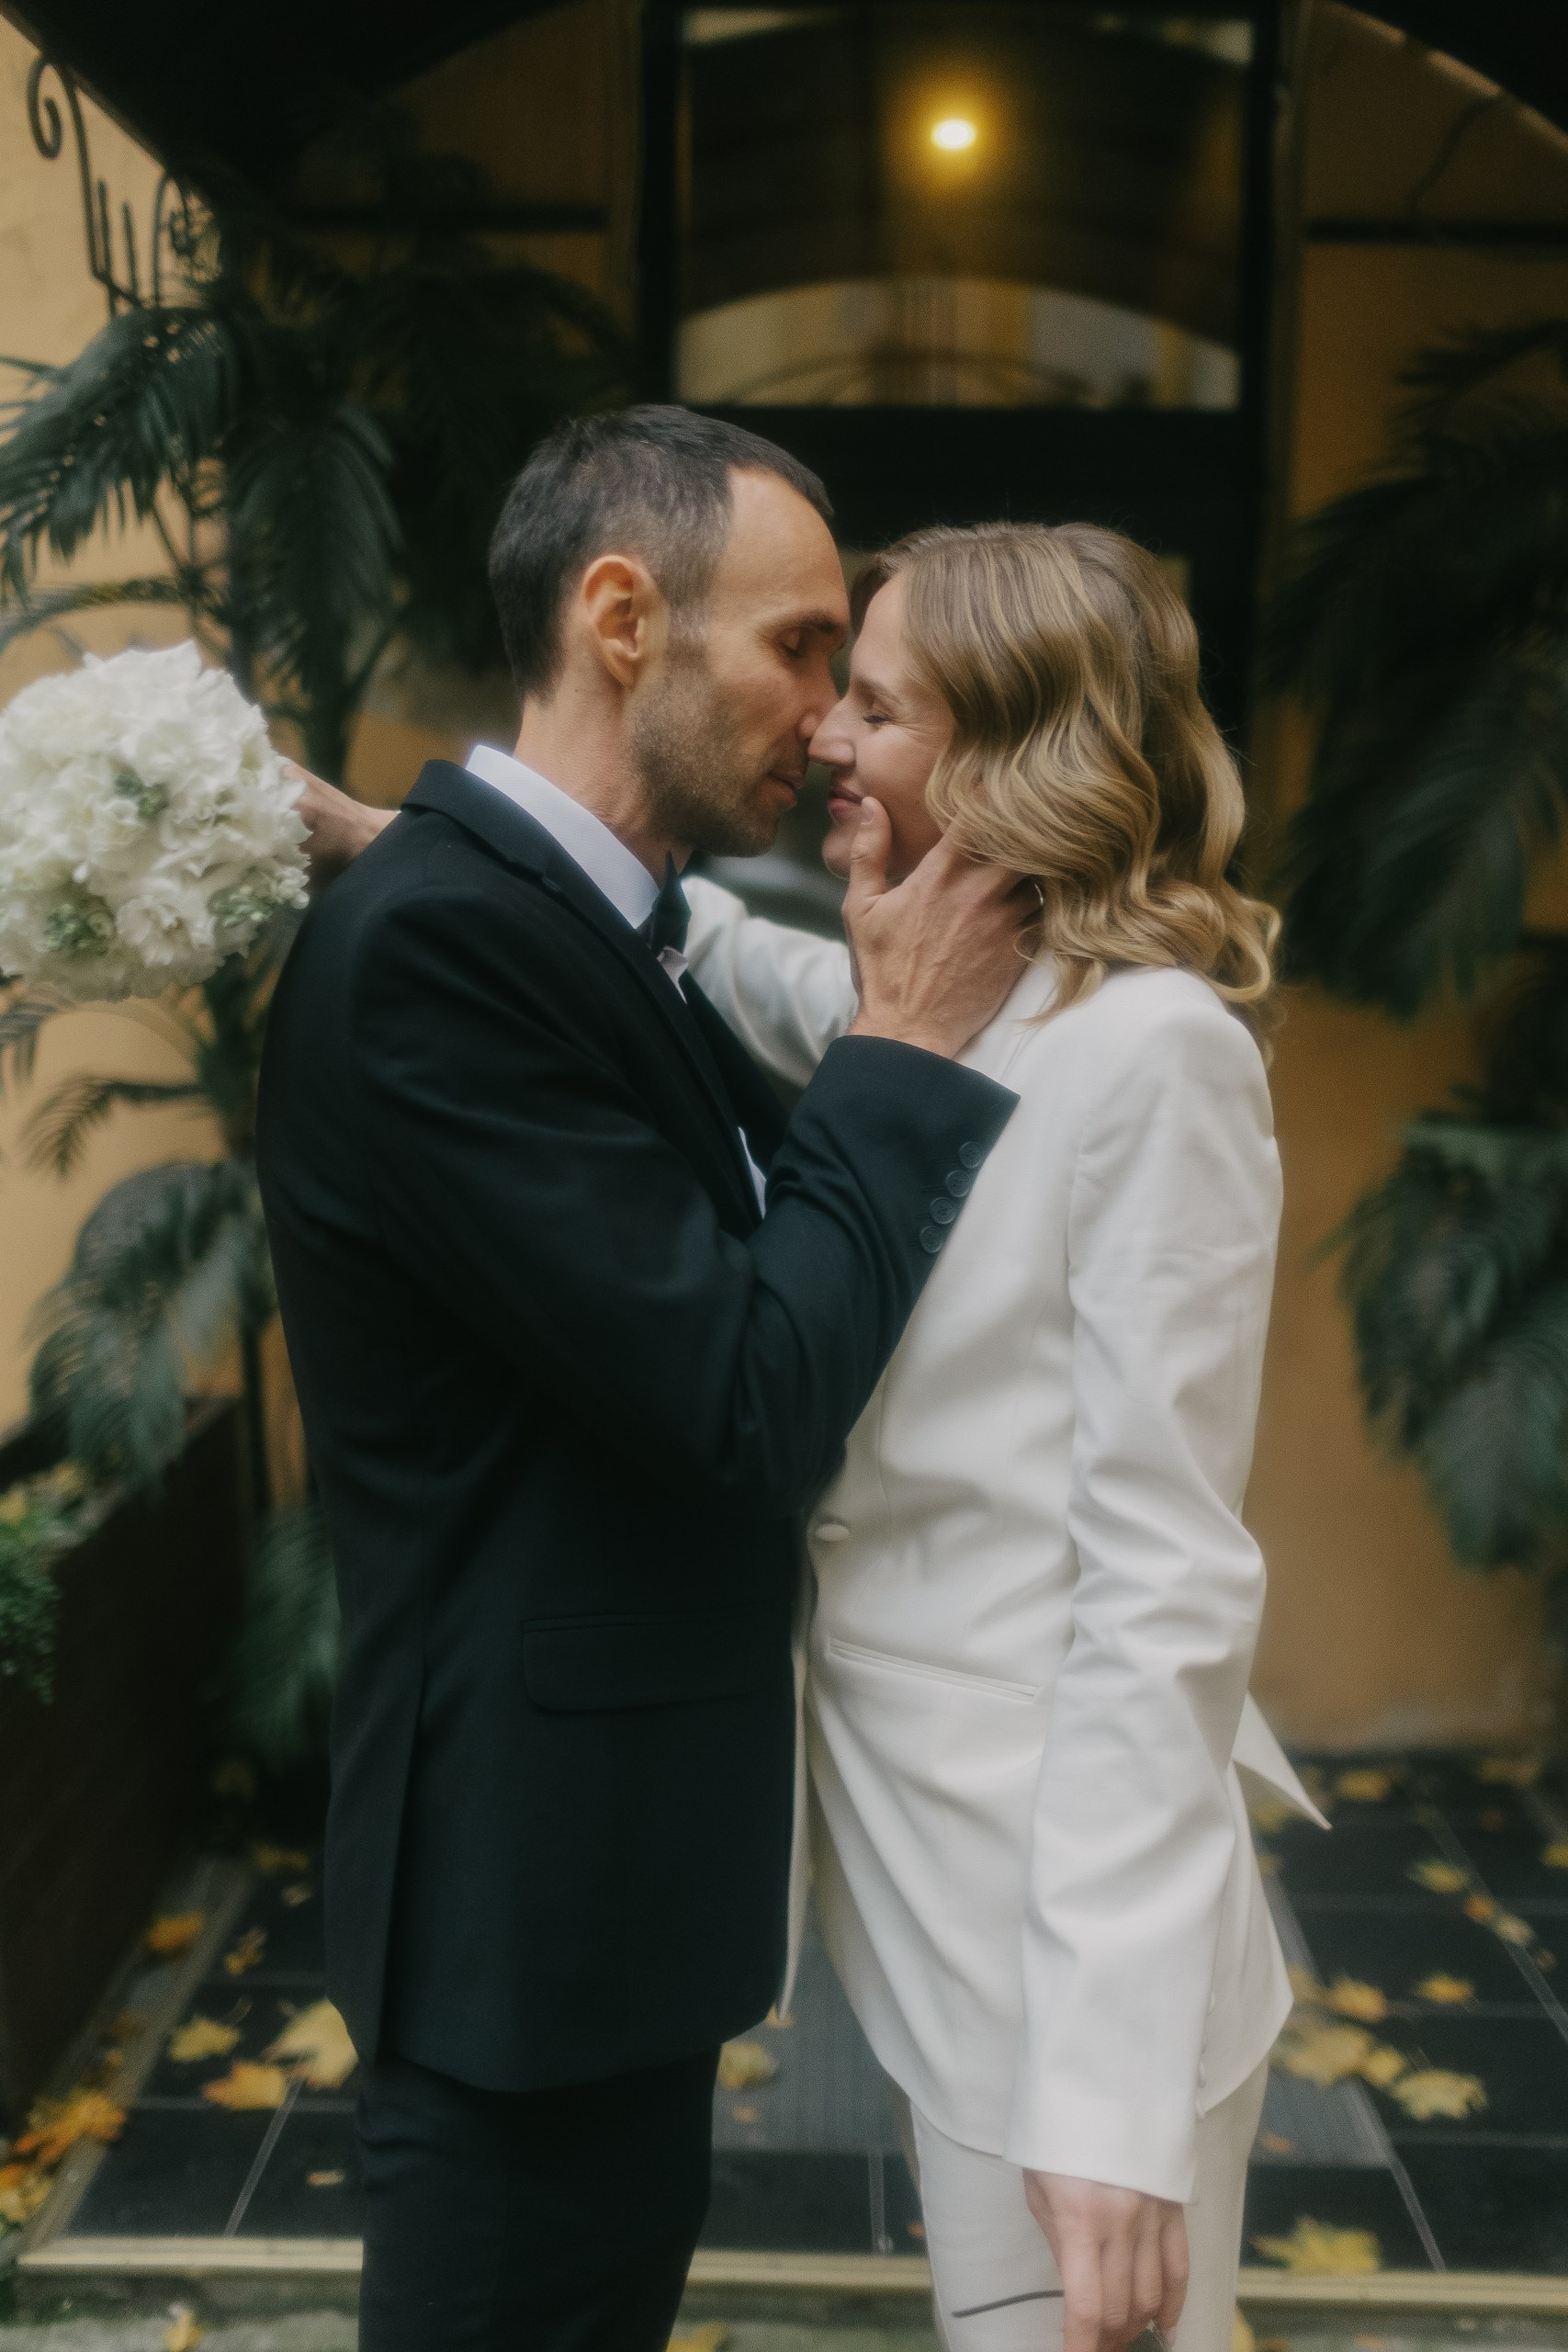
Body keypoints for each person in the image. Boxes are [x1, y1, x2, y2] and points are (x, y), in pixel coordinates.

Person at [254, 408, 1029, 2352]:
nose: (830, 725)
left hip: (601, 1914)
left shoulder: (534, 919)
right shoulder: (438, 950)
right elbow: (746, 1390)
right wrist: (904, 1051)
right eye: (798, 648)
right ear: (621, 619)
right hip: (521, 1924)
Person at [675, 524, 1325, 2352]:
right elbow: (755, 973)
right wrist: (446, 842)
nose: (828, 735)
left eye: (877, 708)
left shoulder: (1156, 1053)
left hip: (1061, 1932)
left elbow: (1165, 1585)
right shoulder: (954, 1002)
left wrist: (1106, 2100)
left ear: (1010, 757)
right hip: (926, 1889)